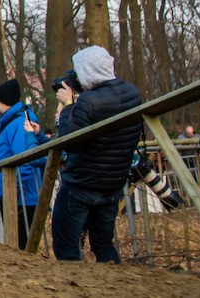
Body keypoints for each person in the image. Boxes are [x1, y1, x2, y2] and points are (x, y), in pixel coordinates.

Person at [52, 46, 142, 263]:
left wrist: (67, 106)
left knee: (66, 247)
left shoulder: (87, 103)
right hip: (112, 183)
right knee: (103, 245)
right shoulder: (131, 93)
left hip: (81, 184)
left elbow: (69, 140)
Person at [0, 78, 44, 249]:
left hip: (19, 200)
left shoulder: (18, 124)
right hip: (13, 196)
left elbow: (25, 161)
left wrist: (11, 193)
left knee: (19, 248)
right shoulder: (10, 122)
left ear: (4, 102)